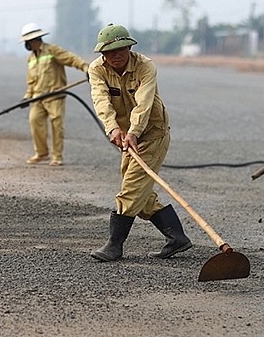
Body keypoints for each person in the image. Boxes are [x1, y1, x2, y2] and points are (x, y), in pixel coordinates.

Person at [87, 23, 192, 261]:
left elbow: (143, 104)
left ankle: (114, 246)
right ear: (102, 53)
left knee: (131, 188)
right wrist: (113, 128)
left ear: (130, 47)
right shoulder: (96, 70)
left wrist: (134, 131)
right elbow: (100, 100)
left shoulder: (146, 66)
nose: (117, 55)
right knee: (140, 191)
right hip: (126, 136)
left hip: (153, 133)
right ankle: (177, 238)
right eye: (111, 51)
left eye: (122, 48)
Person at [20, 22, 89, 166]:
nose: (27, 44)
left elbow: (71, 58)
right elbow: (31, 81)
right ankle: (42, 153)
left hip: (54, 95)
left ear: (35, 40)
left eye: (28, 41)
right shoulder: (31, 58)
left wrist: (86, 68)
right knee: (34, 120)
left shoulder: (52, 50)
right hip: (38, 97)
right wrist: (27, 96)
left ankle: (57, 156)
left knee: (56, 125)